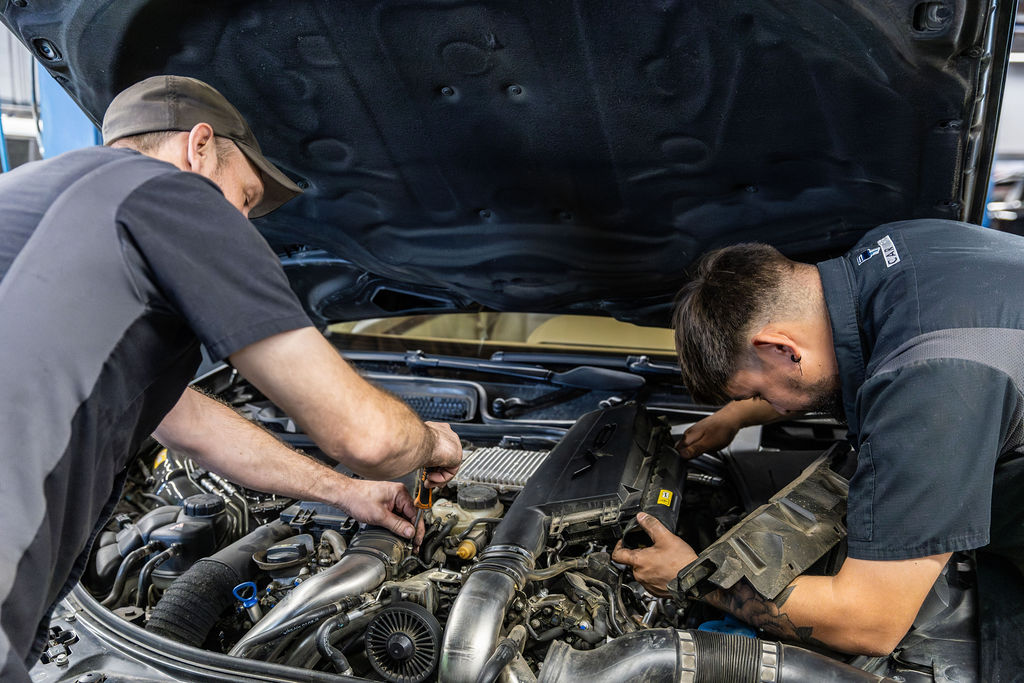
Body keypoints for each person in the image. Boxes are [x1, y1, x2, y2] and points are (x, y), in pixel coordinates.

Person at [0, 75, 461, 681]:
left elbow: (185, 421)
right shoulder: (175, 198)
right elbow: (367, 438)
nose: (244, 221)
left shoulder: (27, 193)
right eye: (245, 197)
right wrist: (430, 443)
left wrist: (343, 492)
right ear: (198, 146)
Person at [612, 219, 1024, 673]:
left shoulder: (931, 388)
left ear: (782, 349)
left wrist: (691, 579)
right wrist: (738, 415)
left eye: (758, 393)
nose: (772, 406)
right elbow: (842, 357)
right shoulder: (891, 245)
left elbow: (870, 621)